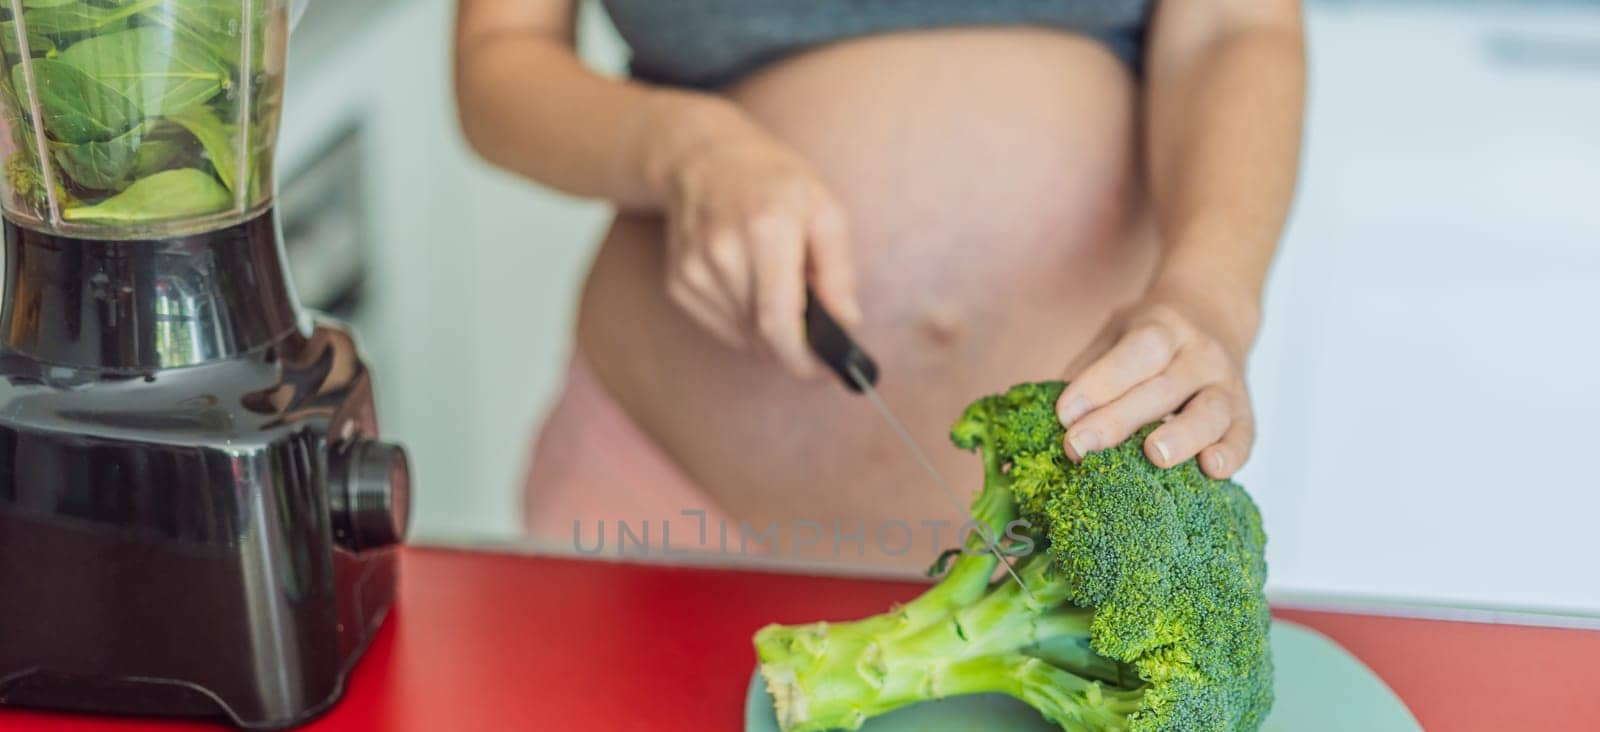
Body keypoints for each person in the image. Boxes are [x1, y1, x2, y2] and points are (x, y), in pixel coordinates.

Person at [454, 0, 1305, 566]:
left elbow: (1236, 26)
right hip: (663, 497)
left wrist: (1210, 296)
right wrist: (680, 148)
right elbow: (502, 54)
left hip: (1076, 524)